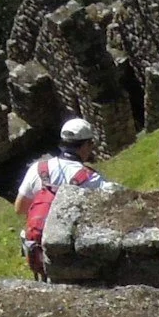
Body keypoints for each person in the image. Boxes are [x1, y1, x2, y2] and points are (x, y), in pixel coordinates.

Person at [17, 117, 103, 277]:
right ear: (84, 145)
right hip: (71, 257)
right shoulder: (92, 179)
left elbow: (20, 208)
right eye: (91, 144)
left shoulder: (39, 168)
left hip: (38, 250)